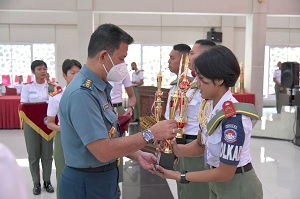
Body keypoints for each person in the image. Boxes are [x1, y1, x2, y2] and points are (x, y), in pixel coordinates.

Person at [58, 23, 178, 199]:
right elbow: (103, 150)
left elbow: (108, 137)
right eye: (121, 58)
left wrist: (136, 154)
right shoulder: (82, 94)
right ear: (104, 56)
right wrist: (149, 134)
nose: (124, 65)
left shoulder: (98, 88)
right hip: (87, 184)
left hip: (103, 178)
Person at [152, 45, 263, 199]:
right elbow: (200, 145)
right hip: (216, 185)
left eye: (202, 79)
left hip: (237, 187)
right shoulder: (209, 106)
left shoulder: (233, 119)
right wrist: (175, 149)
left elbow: (225, 173)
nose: (196, 83)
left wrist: (180, 176)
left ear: (219, 80)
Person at [165, 41, 215, 199]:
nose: (189, 57)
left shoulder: (211, 85)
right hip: (182, 142)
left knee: (196, 192)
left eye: (193, 53)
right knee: (184, 190)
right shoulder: (190, 83)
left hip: (197, 144)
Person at [46, 59, 82, 198]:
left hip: (83, 137)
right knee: (62, 170)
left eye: (79, 73)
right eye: (72, 73)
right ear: (64, 75)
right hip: (64, 137)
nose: (76, 76)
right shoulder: (57, 97)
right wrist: (64, 129)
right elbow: (50, 123)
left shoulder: (86, 94)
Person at [20, 60, 55, 195]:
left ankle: (47, 181)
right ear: (33, 71)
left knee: (47, 154)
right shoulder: (27, 87)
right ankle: (36, 183)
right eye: (39, 69)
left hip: (47, 123)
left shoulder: (52, 87)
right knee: (33, 155)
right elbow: (23, 105)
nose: (43, 71)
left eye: (45, 69)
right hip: (31, 125)